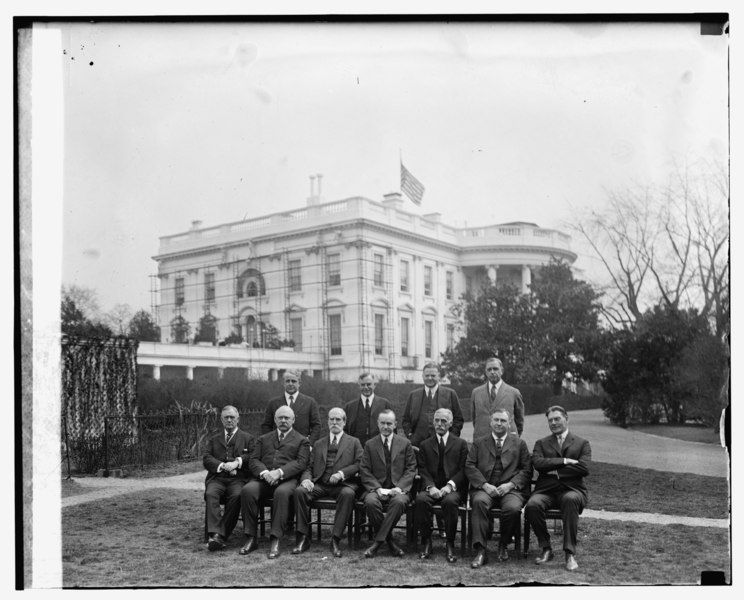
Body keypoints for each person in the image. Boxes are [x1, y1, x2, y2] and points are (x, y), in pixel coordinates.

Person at [525, 405, 591, 572]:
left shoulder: (582, 443)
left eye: (557, 419)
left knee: (570, 500)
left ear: (566, 418)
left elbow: (584, 468)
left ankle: (569, 554)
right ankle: (546, 548)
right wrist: (564, 462)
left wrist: (554, 470)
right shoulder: (541, 443)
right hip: (546, 491)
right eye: (550, 420)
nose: (554, 423)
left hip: (572, 490)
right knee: (532, 505)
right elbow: (538, 464)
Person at [239, 405, 310, 559]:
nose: (283, 420)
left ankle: (276, 539)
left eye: (286, 418)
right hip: (264, 479)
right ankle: (251, 537)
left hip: (287, 481)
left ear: (293, 420)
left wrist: (279, 473)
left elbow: (301, 463)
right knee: (247, 490)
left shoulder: (302, 440)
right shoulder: (263, 438)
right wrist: (265, 473)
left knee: (281, 493)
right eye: (280, 418)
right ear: (275, 419)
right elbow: (253, 460)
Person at [465, 408, 532, 568]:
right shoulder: (480, 442)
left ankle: (503, 543)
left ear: (509, 424)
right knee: (479, 502)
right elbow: (469, 466)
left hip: (510, 490)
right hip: (485, 488)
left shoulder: (519, 444)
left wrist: (510, 485)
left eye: (503, 421)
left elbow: (527, 470)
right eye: (496, 420)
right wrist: (484, 485)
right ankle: (481, 550)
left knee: (513, 508)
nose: (499, 424)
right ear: (490, 422)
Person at [293, 407, 363, 558]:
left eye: (338, 419)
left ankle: (335, 539)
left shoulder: (354, 442)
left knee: (348, 494)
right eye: (331, 419)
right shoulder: (319, 443)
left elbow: (359, 464)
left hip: (343, 485)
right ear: (328, 422)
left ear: (344, 422)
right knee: (300, 491)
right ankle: (303, 538)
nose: (334, 422)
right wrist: (306, 479)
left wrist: (341, 473)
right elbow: (309, 466)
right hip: (320, 483)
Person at [359, 409, 417, 558]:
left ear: (395, 424)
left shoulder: (405, 443)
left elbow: (411, 469)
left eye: (389, 423)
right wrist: (376, 488)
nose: (385, 426)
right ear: (378, 424)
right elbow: (364, 469)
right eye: (383, 423)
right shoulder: (370, 444)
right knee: (370, 502)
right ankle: (390, 542)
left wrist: (399, 488)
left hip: (399, 489)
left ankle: (377, 543)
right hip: (376, 489)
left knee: (398, 502)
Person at [414, 408, 469, 563]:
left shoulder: (461, 444)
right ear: (433, 422)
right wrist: (430, 487)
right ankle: (427, 542)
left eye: (443, 421)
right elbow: (422, 469)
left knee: (450, 502)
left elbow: (464, 469)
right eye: (437, 420)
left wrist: (449, 486)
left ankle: (450, 543)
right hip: (431, 487)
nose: (439, 424)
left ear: (450, 423)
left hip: (452, 489)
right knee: (421, 500)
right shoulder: (425, 445)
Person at [203, 405, 256, 551]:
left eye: (232, 417)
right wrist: (222, 465)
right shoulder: (214, 439)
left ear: (238, 419)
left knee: (237, 495)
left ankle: (219, 536)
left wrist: (237, 463)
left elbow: (252, 456)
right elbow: (207, 458)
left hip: (238, 479)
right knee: (210, 494)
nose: (229, 420)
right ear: (221, 420)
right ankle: (215, 534)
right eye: (226, 417)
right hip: (217, 478)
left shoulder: (248, 438)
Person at [402, 362, 464, 448]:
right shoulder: (413, 395)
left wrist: (451, 438)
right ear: (422, 376)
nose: (430, 378)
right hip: (417, 444)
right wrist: (410, 435)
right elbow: (406, 419)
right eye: (427, 375)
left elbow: (458, 419)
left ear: (439, 376)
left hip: (443, 445)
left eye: (433, 375)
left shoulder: (450, 394)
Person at [261, 370, 321, 444]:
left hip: (301, 445)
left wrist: (310, 443)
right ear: (283, 383)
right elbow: (266, 426)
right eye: (287, 381)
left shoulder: (310, 402)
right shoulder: (273, 403)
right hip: (279, 445)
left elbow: (316, 426)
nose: (290, 384)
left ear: (299, 383)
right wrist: (270, 443)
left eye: (293, 381)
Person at [470, 357, 524, 440]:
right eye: (489, 369)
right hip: (482, 440)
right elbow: (474, 419)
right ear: (485, 372)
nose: (492, 372)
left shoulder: (514, 393)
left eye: (495, 369)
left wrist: (512, 436)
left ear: (501, 370)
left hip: (507, 440)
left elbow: (519, 421)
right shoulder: (476, 392)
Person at [343, 372, 393, 448]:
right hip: (356, 450)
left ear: (374, 385)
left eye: (369, 384)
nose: (366, 387)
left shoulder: (385, 404)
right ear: (359, 386)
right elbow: (344, 430)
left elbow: (392, 429)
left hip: (380, 449)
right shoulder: (349, 407)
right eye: (363, 385)